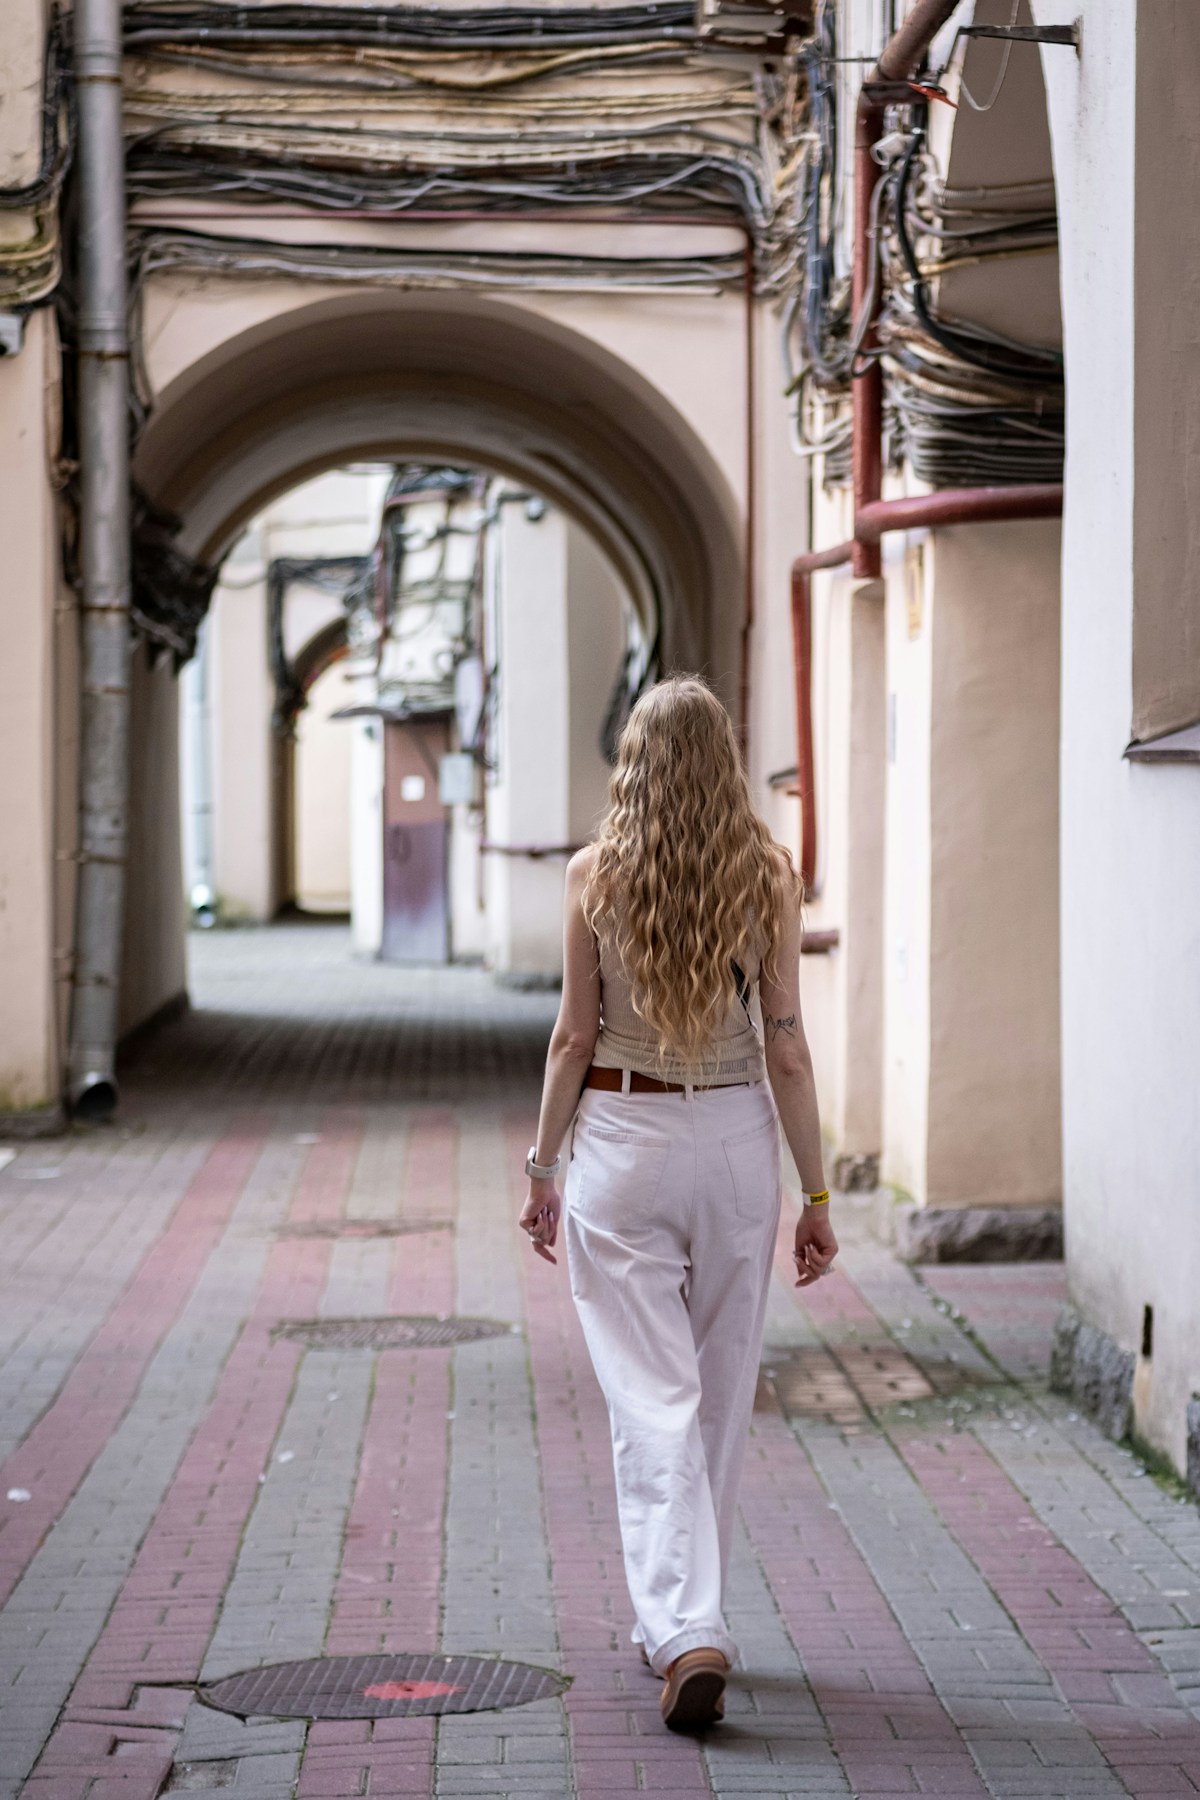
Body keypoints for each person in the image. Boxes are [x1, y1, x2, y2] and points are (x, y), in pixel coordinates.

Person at [518, 675, 837, 1731]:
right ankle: (689, 1618)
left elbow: (572, 1036)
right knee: (717, 1388)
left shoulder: (595, 875)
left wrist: (543, 1167)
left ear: (637, 763)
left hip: (623, 1137)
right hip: (737, 1140)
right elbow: (787, 1048)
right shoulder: (768, 876)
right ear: (723, 762)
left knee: (651, 1399)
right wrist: (817, 1192)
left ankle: (685, 1625)